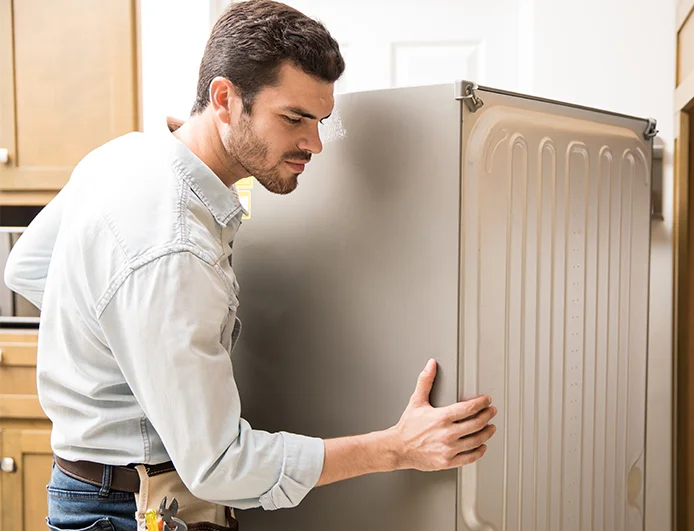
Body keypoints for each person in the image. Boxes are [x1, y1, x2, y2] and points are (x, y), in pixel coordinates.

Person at [4, 1, 497, 530]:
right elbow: (219, 465)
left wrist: (131, 354)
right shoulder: (176, 250)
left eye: (321, 120)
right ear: (224, 100)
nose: (315, 144)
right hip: (134, 508)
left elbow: (26, 267)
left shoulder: (125, 154)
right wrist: (397, 449)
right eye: (293, 118)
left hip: (92, 490)